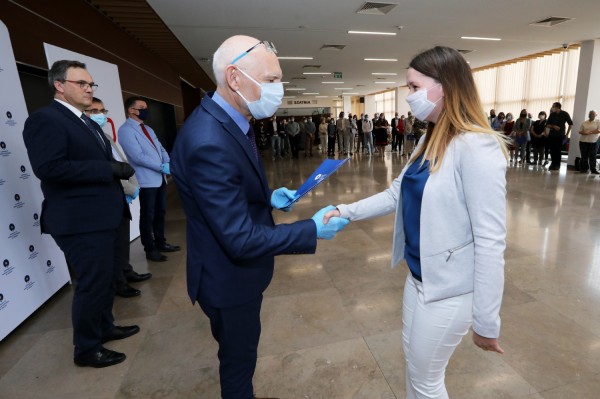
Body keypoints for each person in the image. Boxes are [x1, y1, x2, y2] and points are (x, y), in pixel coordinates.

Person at [169, 35, 349, 399]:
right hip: (227, 278)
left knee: (242, 354)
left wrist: (266, 197)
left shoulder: (230, 119)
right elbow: (239, 238)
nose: (279, 90)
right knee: (238, 361)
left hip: (234, 274)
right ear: (234, 78)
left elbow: (226, 189)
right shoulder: (208, 140)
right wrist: (309, 230)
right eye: (270, 81)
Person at [323, 46, 508, 399]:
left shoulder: (477, 147)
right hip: (418, 278)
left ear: (446, 87)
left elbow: (491, 240)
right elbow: (396, 194)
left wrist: (486, 321)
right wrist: (346, 210)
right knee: (415, 368)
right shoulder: (431, 136)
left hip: (451, 291)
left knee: (426, 381)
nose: (408, 96)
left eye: (413, 87)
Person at [22, 60, 140, 368]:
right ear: (59, 86)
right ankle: (87, 349)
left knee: (103, 280)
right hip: (79, 220)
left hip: (104, 215)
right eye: (81, 84)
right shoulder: (45, 120)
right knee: (92, 282)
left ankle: (104, 327)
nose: (89, 89)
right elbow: (49, 168)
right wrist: (107, 169)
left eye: (91, 84)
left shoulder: (85, 121)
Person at [85, 97, 153, 298]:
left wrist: (134, 185)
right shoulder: (88, 140)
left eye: (102, 110)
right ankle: (119, 283)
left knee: (123, 241)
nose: (100, 115)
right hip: (112, 195)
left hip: (121, 195)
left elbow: (122, 163)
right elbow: (109, 170)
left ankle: (127, 271)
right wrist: (129, 189)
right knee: (113, 245)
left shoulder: (105, 136)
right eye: (93, 110)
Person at [118, 96, 181, 262]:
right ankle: (150, 249)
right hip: (146, 180)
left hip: (159, 179)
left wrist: (168, 162)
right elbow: (138, 157)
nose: (146, 110)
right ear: (131, 110)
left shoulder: (148, 129)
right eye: (142, 107)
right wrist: (161, 167)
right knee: (148, 215)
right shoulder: (126, 130)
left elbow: (160, 148)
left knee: (160, 212)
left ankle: (161, 242)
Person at [546, 102, 573, 171]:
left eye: (553, 106)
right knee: (552, 150)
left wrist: (567, 134)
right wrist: (553, 126)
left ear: (558, 107)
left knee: (557, 150)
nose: (552, 108)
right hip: (552, 135)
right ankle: (553, 163)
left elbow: (570, 124)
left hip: (560, 135)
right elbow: (547, 125)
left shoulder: (565, 114)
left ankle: (557, 165)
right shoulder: (552, 115)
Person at [578, 110, 600, 174]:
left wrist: (589, 132)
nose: (591, 115)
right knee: (584, 155)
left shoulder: (598, 122)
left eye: (593, 114)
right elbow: (580, 131)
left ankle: (593, 169)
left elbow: (598, 130)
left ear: (596, 115)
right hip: (583, 141)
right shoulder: (584, 122)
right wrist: (584, 133)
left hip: (594, 141)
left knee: (593, 155)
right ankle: (584, 168)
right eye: (590, 114)